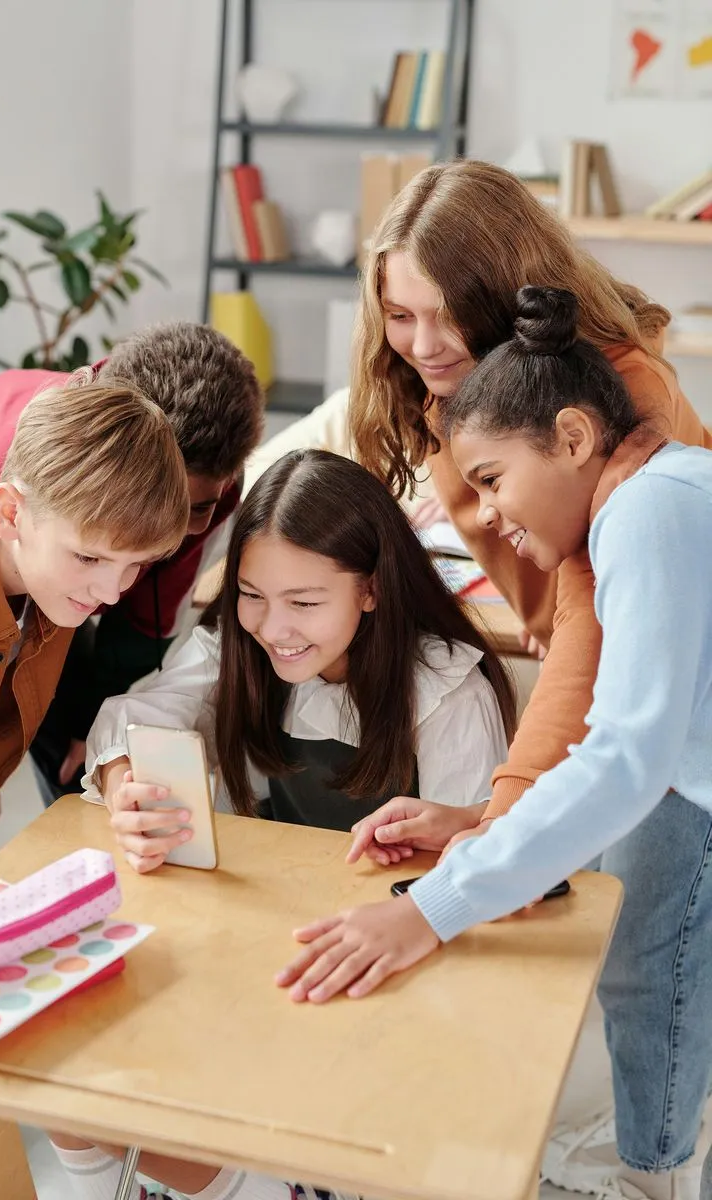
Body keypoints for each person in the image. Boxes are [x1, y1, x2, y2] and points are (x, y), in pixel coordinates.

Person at [277, 286, 712, 1200]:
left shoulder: (650, 513)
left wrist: (429, 910)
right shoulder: (654, 500)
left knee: (650, 975)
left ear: (573, 438)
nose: (490, 518)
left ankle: (650, 1182)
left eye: (491, 480)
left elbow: (628, 758)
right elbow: (650, 744)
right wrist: (482, 817)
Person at [49, 448, 515, 1200]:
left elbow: (474, 878)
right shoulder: (238, 650)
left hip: (384, 982)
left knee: (160, 1139)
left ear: (370, 590)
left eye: (304, 602)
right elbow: (133, 717)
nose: (273, 626)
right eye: (252, 594)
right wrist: (124, 781)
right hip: (257, 948)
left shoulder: (447, 689)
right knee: (72, 1101)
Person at [0, 321, 263, 911]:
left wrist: (76, 748)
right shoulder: (11, 499)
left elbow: (142, 621)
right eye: (94, 556)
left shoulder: (64, 583)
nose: (113, 591)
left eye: (142, 558)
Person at [0, 375, 189, 898]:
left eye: (135, 566)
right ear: (11, 513)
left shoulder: (50, 586)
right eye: (89, 557)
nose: (111, 593)